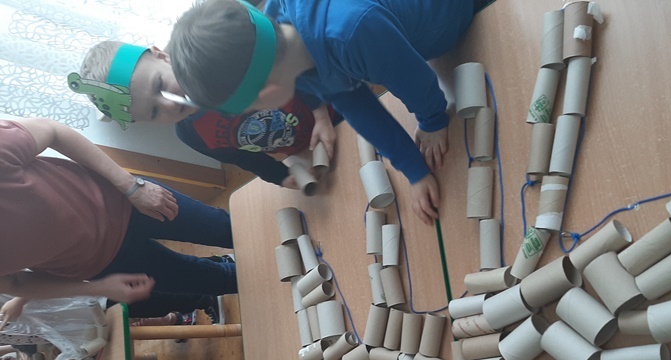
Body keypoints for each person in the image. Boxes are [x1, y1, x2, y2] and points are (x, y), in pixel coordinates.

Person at [167, 0, 482, 225]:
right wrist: (413, 169)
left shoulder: (351, 33)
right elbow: (355, 106)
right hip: (409, 42)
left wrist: (433, 121)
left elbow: (415, 81)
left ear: (268, 94)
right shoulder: (286, 44)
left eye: (252, 107)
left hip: (455, 19)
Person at [0, 118, 237, 310]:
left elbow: (53, 131)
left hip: (126, 203)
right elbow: (14, 283)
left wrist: (131, 186)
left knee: (231, 230)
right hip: (105, 265)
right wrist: (97, 288)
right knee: (223, 281)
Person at [75, 40, 338, 191]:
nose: (168, 106)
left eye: (160, 85)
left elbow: (296, 69)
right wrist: (280, 176)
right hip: (308, 150)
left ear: (162, 56)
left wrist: (322, 116)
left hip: (335, 109)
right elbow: (243, 157)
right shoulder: (192, 135)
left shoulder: (225, 62)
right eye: (154, 112)